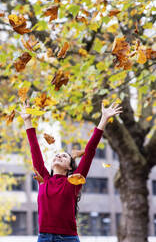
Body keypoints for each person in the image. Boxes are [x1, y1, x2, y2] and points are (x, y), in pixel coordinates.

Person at [19, 101, 122, 242]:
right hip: (43, 238)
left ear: (69, 168)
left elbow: (90, 151)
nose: (59, 156)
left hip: (68, 239)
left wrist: (103, 119)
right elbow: (34, 149)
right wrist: (27, 121)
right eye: (57, 155)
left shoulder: (74, 181)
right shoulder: (43, 179)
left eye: (64, 156)